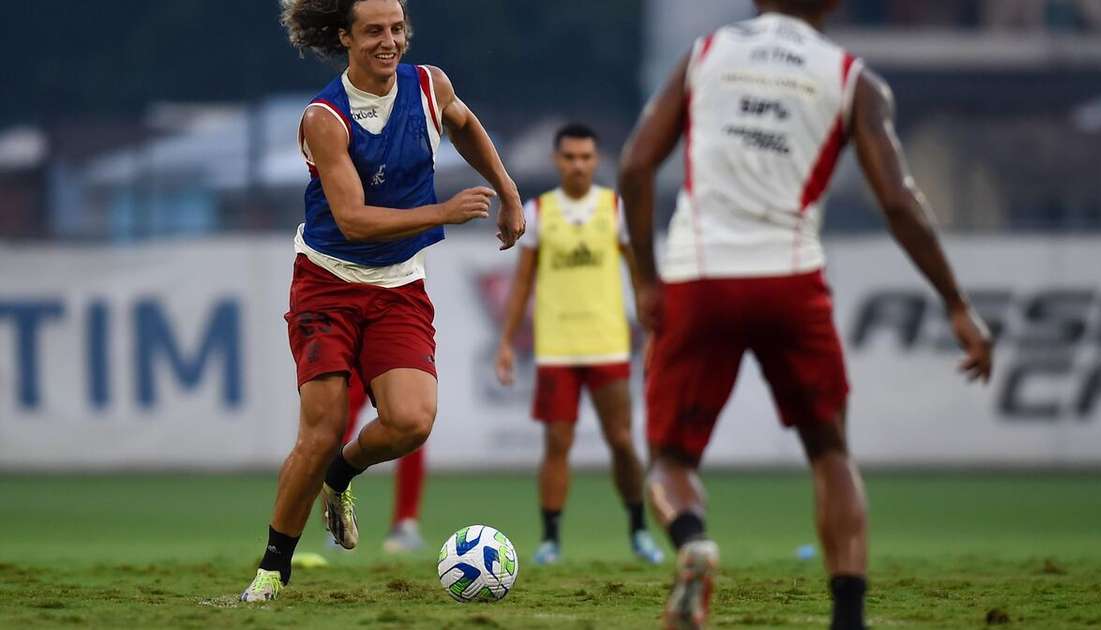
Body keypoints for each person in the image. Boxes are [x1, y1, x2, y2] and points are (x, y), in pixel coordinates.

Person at [618, 1, 994, 628]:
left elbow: (634, 164)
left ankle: (693, 544)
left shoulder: (704, 57)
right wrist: (956, 304)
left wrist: (646, 280)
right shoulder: (851, 79)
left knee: (671, 459)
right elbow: (899, 202)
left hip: (700, 277)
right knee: (830, 451)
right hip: (790, 278)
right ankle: (848, 614)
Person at [241, 0, 524, 602]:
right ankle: (271, 572)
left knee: (412, 422)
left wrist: (508, 189)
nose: (389, 40)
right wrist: (444, 211)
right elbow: (352, 221)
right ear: (345, 37)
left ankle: (342, 475)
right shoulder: (324, 118)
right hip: (327, 282)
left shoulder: (430, 85)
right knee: (319, 431)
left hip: (399, 286)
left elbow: (466, 125)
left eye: (396, 28)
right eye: (373, 31)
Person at [494, 124, 664, 566]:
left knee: (623, 441)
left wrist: (654, 333)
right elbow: (523, 283)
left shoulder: (614, 209)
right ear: (557, 160)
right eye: (570, 157)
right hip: (557, 349)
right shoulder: (539, 212)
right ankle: (550, 540)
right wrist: (508, 342)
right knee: (556, 443)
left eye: (586, 157)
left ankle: (639, 529)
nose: (578, 165)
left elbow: (640, 275)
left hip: (608, 345)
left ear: (597, 159)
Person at [339, 372, 427, 553]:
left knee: (410, 421)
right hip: (356, 346)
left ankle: (406, 522)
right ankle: (337, 520)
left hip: (396, 346)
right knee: (342, 422)